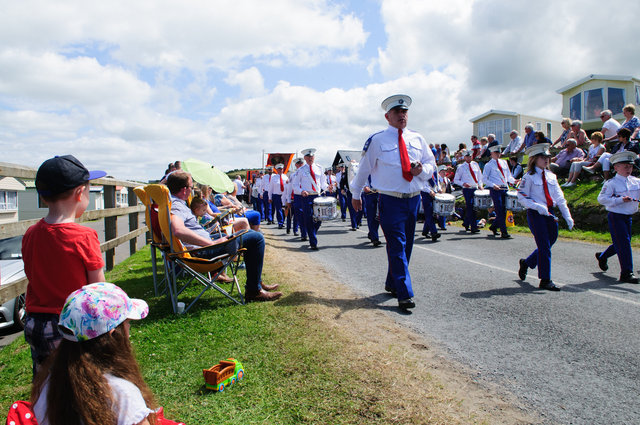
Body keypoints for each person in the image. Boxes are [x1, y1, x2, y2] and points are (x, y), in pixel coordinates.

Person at [31, 282, 183, 425]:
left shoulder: (48, 384)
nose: (129, 328)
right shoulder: (121, 395)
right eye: (127, 323)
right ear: (112, 334)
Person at [21, 155, 106, 376]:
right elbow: (97, 289)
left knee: (44, 380)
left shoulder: (31, 233)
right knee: (77, 380)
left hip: (36, 323)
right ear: (80, 193)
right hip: (71, 323)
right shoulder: (84, 236)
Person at [351, 94, 436, 310]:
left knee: (407, 246)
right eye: (397, 112)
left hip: (413, 199)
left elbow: (431, 164)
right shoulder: (377, 140)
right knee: (397, 245)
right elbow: (364, 169)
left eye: (405, 112)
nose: (402, 115)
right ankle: (404, 293)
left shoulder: (417, 138)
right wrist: (356, 194)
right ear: (387, 116)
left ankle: (392, 282)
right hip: (390, 200)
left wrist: (421, 171)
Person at [167, 171, 282, 301]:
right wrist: (211, 243)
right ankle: (254, 291)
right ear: (184, 190)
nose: (192, 190)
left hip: (204, 246)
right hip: (204, 251)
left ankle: (256, 283)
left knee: (250, 234)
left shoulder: (175, 203)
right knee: (257, 238)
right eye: (191, 187)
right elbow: (177, 230)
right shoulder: (177, 206)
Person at [517, 143, 574, 291]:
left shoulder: (551, 176)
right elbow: (522, 197)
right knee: (544, 246)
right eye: (543, 157)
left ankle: (527, 262)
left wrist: (567, 216)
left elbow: (560, 198)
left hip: (550, 213)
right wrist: (537, 206)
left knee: (550, 242)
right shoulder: (528, 177)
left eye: (547, 157)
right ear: (534, 159)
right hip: (536, 214)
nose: (546, 159)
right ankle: (545, 279)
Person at [595, 151, 640, 283]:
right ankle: (626, 272)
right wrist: (619, 200)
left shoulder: (636, 181)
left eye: (630, 166)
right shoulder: (611, 183)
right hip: (616, 216)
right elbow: (601, 199)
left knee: (621, 243)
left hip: (628, 216)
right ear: (616, 168)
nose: (628, 169)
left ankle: (603, 256)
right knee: (624, 243)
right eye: (625, 166)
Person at [290, 148, 328, 250]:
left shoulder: (319, 168)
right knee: (309, 219)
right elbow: (295, 185)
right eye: (308, 157)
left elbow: (323, 183)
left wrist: (329, 187)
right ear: (305, 158)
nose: (310, 158)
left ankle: (312, 233)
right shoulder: (301, 170)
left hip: (318, 196)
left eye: (312, 156)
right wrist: (301, 191)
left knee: (319, 219)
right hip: (306, 197)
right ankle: (313, 242)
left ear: (314, 157)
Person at [482, 145, 516, 238]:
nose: (498, 154)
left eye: (499, 152)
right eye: (496, 153)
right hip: (495, 189)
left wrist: (514, 181)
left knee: (504, 210)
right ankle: (504, 232)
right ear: (492, 153)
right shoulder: (488, 165)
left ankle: (494, 226)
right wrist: (493, 185)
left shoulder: (504, 162)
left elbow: (508, 176)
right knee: (499, 210)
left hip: (504, 188)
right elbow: (484, 179)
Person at [453, 150, 483, 233]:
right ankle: (473, 226)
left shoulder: (475, 165)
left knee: (474, 207)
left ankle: (466, 222)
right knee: (470, 206)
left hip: (475, 188)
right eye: (467, 156)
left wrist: (480, 185)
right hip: (467, 189)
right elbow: (456, 180)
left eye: (470, 156)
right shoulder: (461, 167)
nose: (469, 158)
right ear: (464, 157)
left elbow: (480, 177)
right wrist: (463, 183)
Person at [340, 161, 363, 231]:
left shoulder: (359, 172)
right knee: (351, 208)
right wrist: (342, 189)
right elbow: (342, 182)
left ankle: (358, 221)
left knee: (361, 208)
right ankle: (354, 225)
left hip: (359, 191)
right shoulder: (345, 174)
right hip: (350, 192)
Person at [420, 168, 441, 242]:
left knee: (432, 213)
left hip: (434, 192)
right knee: (429, 213)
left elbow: (436, 179)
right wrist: (429, 191)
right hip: (426, 192)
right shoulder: (422, 167)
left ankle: (425, 231)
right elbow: (420, 183)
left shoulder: (434, 167)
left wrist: (439, 188)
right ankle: (434, 232)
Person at [290, 157, 308, 240]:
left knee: (307, 215)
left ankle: (306, 232)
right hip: (297, 196)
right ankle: (302, 232)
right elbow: (290, 187)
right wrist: (288, 199)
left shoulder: (307, 173)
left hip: (306, 195)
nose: (300, 165)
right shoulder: (293, 175)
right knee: (299, 215)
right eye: (299, 164)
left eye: (302, 163)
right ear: (296, 165)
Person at [362, 175, 381, 247]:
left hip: (381, 193)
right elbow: (361, 178)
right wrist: (365, 186)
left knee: (378, 215)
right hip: (370, 194)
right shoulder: (366, 168)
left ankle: (372, 233)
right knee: (371, 215)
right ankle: (375, 238)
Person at [268, 163, 288, 229]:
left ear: (283, 170)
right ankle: (280, 223)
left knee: (284, 209)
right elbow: (270, 188)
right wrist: (270, 197)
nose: (280, 170)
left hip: (284, 195)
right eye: (279, 169)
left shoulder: (286, 177)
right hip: (276, 195)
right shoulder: (274, 178)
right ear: (276, 170)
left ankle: (283, 221)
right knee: (278, 209)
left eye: (281, 169)